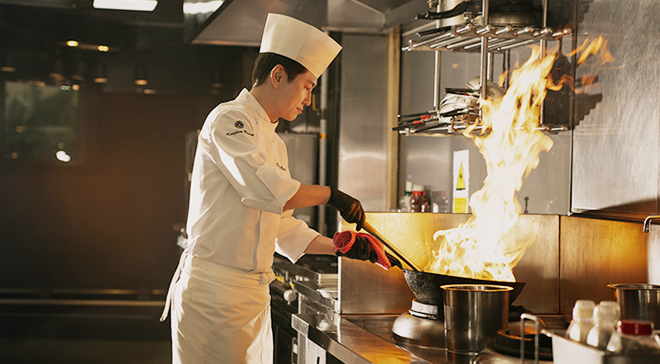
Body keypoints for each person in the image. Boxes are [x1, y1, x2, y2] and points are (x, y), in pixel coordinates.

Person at [160, 13, 396, 364]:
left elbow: (280, 224)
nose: (308, 100)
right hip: (214, 294)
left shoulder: (276, 143)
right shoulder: (228, 119)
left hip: (251, 296)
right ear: (278, 75)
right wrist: (332, 195)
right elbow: (266, 190)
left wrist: (339, 248)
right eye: (308, 86)